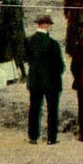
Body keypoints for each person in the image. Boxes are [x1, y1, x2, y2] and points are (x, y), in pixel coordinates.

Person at [25, 14, 65, 145]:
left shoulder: (29, 41)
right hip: (51, 81)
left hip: (35, 80)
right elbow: (60, 65)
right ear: (47, 25)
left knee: (34, 108)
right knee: (52, 109)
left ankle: (33, 136)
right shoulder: (53, 44)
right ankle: (51, 138)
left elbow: (27, 59)